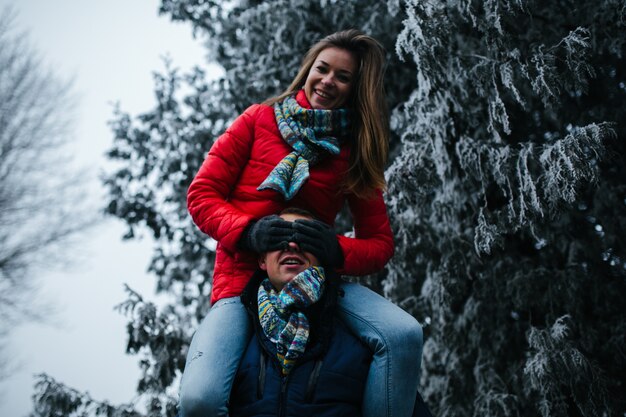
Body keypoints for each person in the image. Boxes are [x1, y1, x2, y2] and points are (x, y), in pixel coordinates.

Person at [180, 29, 423, 417]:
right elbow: (202, 195)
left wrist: (334, 247)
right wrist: (248, 231)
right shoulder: (257, 120)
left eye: (342, 77)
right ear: (308, 69)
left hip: (316, 279)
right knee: (199, 399)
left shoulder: (354, 151)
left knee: (403, 334)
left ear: (355, 89)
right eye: (322, 69)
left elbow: (380, 244)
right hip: (241, 279)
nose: (328, 81)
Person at [230, 208, 372, 417]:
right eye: (278, 237)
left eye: (306, 238)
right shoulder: (231, 341)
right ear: (261, 260)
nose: (292, 245)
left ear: (323, 255)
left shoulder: (363, 338)